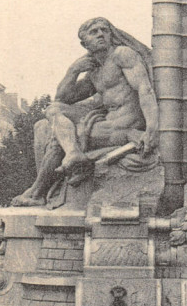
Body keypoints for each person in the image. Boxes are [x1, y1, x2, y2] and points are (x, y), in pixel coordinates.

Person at [12, 18, 159, 207]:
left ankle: (37, 192)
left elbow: (145, 90)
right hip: (105, 127)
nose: (100, 34)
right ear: (84, 44)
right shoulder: (95, 71)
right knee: (50, 115)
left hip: (123, 130)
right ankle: (72, 154)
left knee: (54, 132)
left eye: (104, 30)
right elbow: (63, 98)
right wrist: (73, 71)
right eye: (94, 32)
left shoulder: (122, 55)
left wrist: (152, 129)